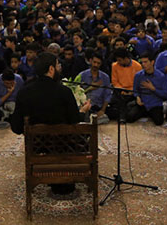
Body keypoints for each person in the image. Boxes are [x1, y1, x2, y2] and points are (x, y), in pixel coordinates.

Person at [10, 52, 90, 195]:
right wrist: (83, 111)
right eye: (58, 65)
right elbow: (75, 121)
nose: (60, 68)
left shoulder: (24, 92)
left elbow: (16, 127)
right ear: (51, 69)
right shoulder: (64, 92)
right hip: (66, 146)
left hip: (38, 146)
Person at [127, 53, 167, 125]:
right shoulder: (138, 75)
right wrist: (137, 97)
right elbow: (135, 90)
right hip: (143, 103)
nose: (143, 64)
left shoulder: (161, 76)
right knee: (129, 118)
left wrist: (153, 88)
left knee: (159, 121)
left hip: (155, 104)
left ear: (152, 62)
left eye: (145, 62)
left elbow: (165, 94)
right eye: (142, 62)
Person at [78, 53, 112, 125]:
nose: (96, 65)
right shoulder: (82, 75)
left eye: (98, 63)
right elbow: (77, 92)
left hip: (98, 107)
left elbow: (107, 95)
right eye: (94, 62)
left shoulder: (105, 77)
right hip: (84, 106)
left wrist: (102, 110)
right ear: (90, 61)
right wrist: (90, 88)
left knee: (105, 118)